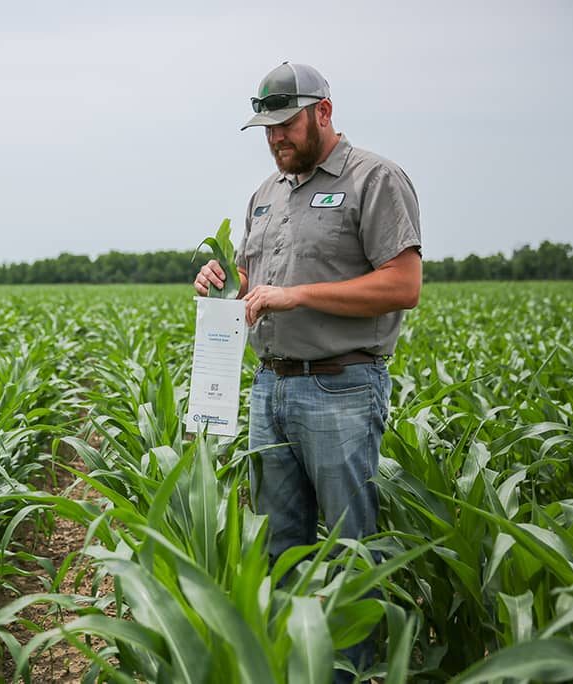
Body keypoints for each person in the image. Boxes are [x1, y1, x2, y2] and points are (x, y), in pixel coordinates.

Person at [193, 61, 422, 678]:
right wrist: (225, 281)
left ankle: (354, 672)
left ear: (323, 111)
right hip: (271, 386)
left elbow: (403, 286)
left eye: (286, 125)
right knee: (277, 549)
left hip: (341, 387)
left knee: (352, 552)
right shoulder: (264, 196)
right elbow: (254, 283)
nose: (275, 140)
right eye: (266, 129)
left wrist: (295, 295)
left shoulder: (375, 179)